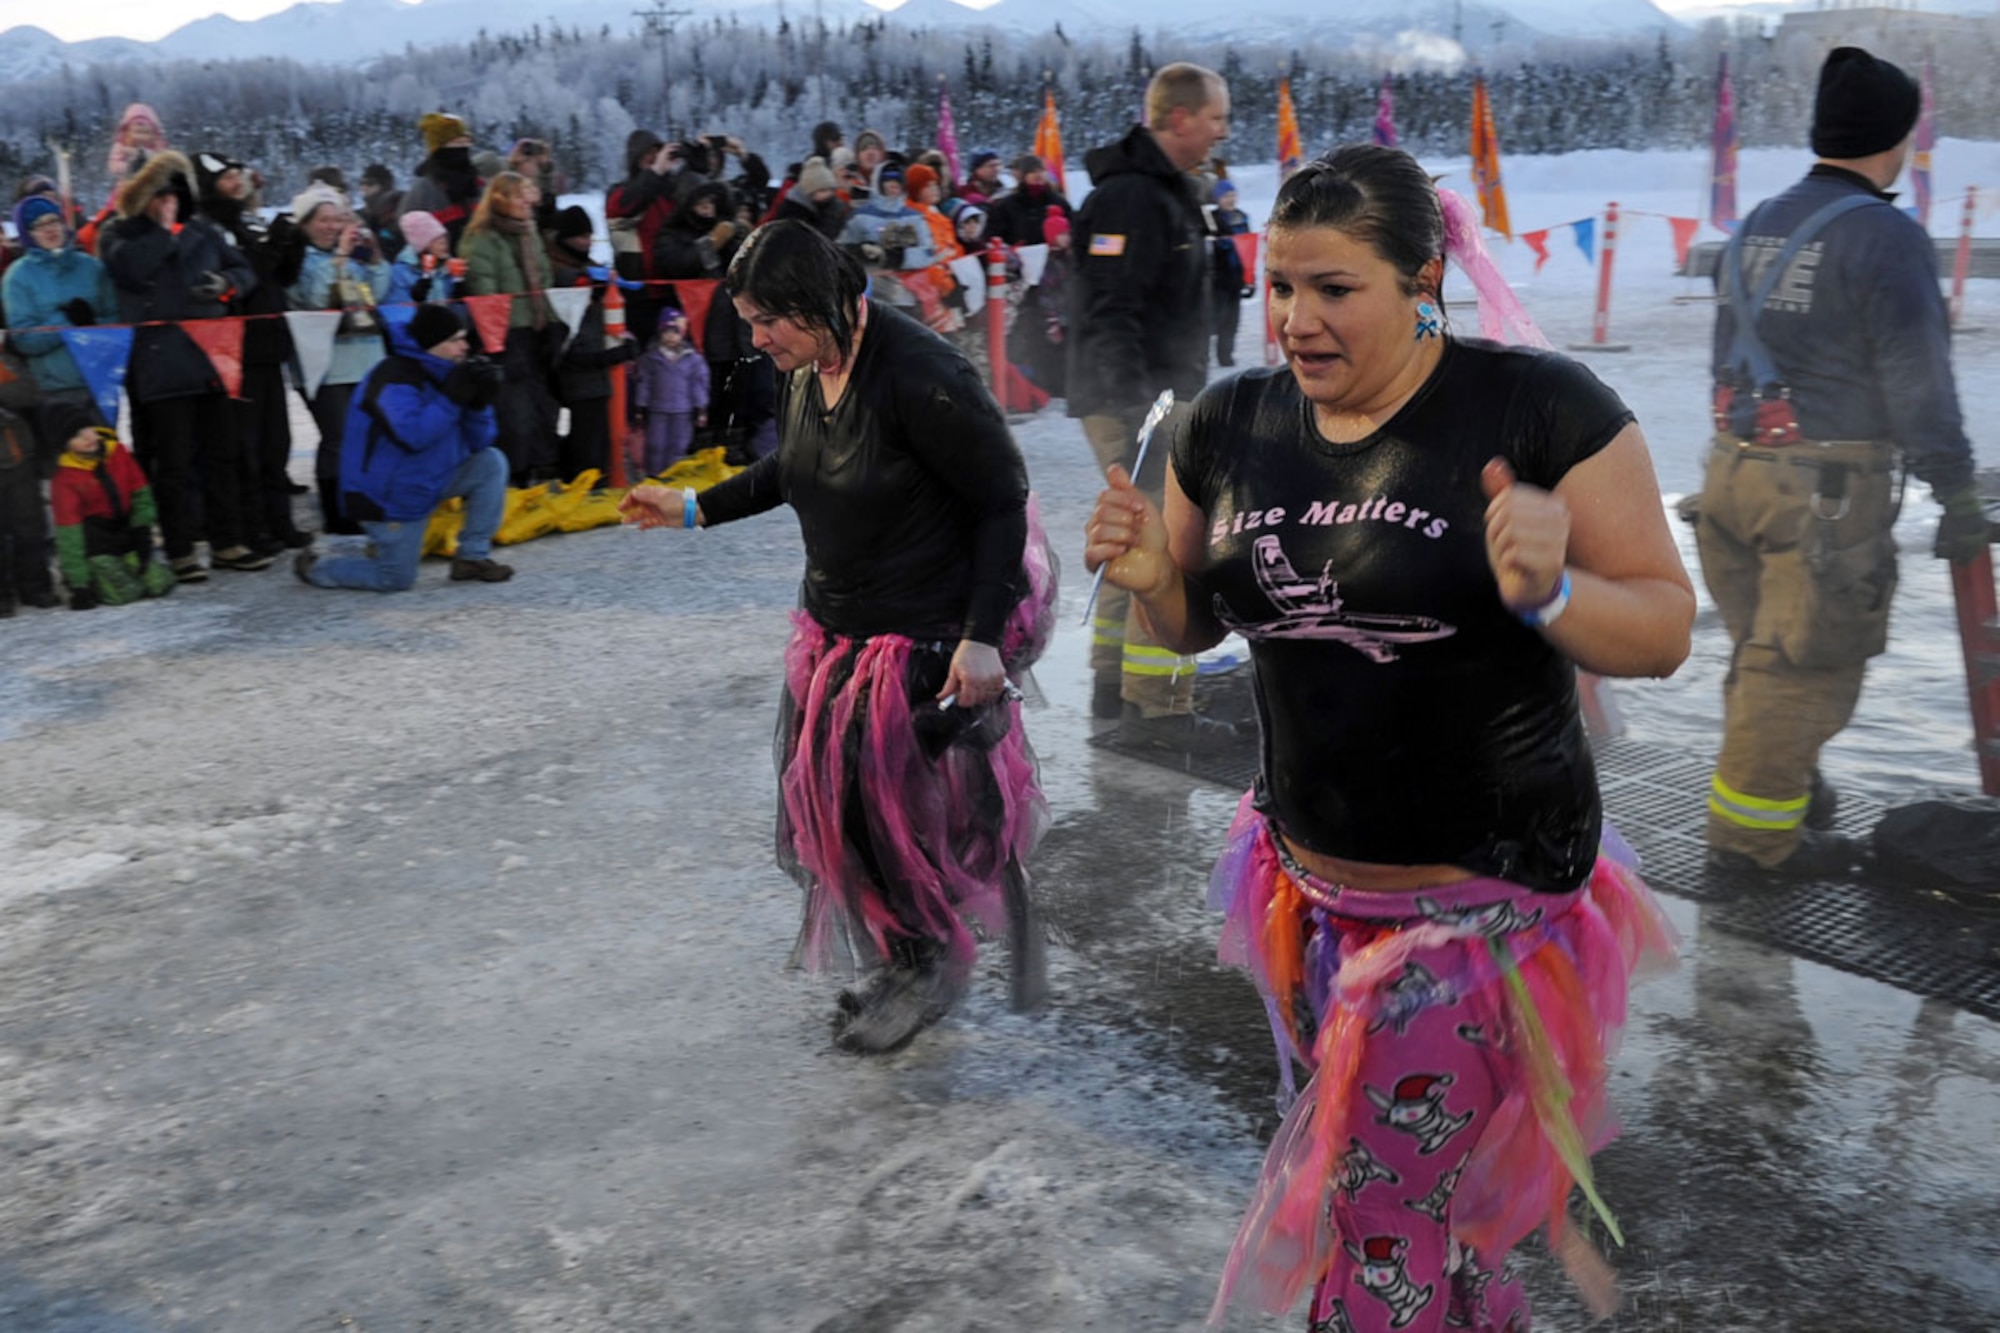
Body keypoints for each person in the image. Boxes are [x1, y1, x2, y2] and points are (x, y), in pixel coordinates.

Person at [1082, 145, 1692, 1332]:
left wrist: (1552, 592)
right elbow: (1197, 622)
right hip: (1303, 889)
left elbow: (1662, 627)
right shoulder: (1228, 421)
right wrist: (1156, 579)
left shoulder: (1539, 410)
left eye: (1333, 289)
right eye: (1278, 286)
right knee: (1413, 1190)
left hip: (1480, 907)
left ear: (1422, 281)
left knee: (1378, 1219)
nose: (1294, 320)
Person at [618, 221, 1054, 1055]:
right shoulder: (809, 363)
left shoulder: (922, 374)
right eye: (749, 322)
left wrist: (981, 639)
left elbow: (1001, 500)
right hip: (838, 630)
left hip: (922, 634)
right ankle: (907, 957)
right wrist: (695, 506)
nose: (756, 340)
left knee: (881, 811)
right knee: (843, 815)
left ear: (815, 303)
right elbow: (796, 467)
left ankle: (928, 963)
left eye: (767, 320)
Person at [1697, 46, 1982, 881]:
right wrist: (1955, 488)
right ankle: (1754, 847)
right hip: (1819, 494)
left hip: (1731, 473)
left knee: (1762, 650)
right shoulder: (1887, 237)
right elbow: (1918, 381)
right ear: (1897, 137)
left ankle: (1788, 789)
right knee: (1803, 667)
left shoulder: (1757, 222)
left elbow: (1727, 355)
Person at [1069, 62, 1233, 744]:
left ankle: (1115, 687)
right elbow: (1110, 310)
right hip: (1139, 401)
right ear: (1180, 118)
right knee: (1170, 544)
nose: (1223, 132)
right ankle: (1159, 707)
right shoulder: (1132, 198)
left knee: (1133, 537)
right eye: (1216, 118)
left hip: (1155, 395)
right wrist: (1146, 411)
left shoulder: (1166, 192)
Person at [99, 150, 266, 581]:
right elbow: (132, 270)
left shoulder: (202, 231)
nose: (168, 202)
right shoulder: (118, 233)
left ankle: (227, 541)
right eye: (159, 194)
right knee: (173, 463)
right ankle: (180, 549)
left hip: (211, 356)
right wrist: (162, 232)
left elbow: (244, 270)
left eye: (174, 194)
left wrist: (226, 284)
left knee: (222, 455)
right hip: (162, 362)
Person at [296, 304, 513, 592]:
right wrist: (453, 399)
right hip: (388, 495)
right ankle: (318, 567)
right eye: (455, 340)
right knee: (395, 579)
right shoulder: (393, 376)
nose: (465, 347)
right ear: (431, 345)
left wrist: (479, 404)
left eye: (464, 338)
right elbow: (414, 436)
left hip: (427, 479)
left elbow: (480, 442)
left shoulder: (451, 373)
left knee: (491, 462)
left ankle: (472, 557)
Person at [195, 150, 306, 553]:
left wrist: (292, 244)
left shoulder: (247, 220)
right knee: (247, 446)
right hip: (236, 349)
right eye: (227, 177)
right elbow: (242, 278)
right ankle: (252, 526)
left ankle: (280, 521)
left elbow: (279, 276)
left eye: (237, 175)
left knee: (277, 441)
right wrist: (270, 248)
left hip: (268, 344)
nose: (237, 182)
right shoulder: (208, 227)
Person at [287, 182, 392, 536]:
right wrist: (341, 260)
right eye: (324, 220)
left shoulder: (351, 256)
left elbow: (376, 295)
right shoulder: (299, 259)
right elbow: (316, 299)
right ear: (305, 223)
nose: (332, 227)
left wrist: (375, 261)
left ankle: (364, 501)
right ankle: (336, 513)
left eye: (337, 219)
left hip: (364, 357)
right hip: (325, 365)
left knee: (366, 436)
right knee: (337, 438)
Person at [459, 171, 562, 485]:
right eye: (519, 196)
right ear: (501, 200)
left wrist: (552, 323)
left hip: (535, 330)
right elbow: (484, 292)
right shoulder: (482, 239)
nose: (526, 202)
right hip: (505, 334)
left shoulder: (529, 233)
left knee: (542, 406)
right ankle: (514, 477)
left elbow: (544, 281)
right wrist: (499, 342)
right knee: (515, 412)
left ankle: (542, 470)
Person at [44, 405, 177, 609]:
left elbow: (141, 495)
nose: (87, 437)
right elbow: (69, 535)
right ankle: (89, 576)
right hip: (97, 543)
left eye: (87, 429)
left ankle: (132, 566)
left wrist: (142, 532)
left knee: (158, 584)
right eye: (77, 436)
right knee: (125, 594)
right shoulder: (65, 479)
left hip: (127, 531)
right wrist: (79, 584)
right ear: (66, 445)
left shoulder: (119, 452)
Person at [545, 204, 639, 482]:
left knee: (599, 437)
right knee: (585, 443)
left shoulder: (592, 271)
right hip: (580, 375)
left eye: (589, 236)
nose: (587, 242)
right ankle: (584, 486)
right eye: (580, 237)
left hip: (598, 373)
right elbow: (571, 348)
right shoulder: (562, 275)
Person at [631, 308, 709, 478]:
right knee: (655, 445)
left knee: (679, 445)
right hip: (657, 409)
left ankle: (673, 477)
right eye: (666, 332)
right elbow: (644, 383)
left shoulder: (694, 359)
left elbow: (699, 384)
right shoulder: (650, 358)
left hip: (683, 410)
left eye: (675, 332)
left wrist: (701, 408)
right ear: (660, 333)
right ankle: (654, 475)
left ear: (683, 334)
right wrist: (640, 406)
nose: (671, 337)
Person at [398, 113, 482, 250]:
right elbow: (409, 234)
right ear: (440, 148)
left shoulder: (477, 184)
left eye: (466, 143)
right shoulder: (423, 191)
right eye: (457, 143)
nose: (463, 149)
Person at [1209, 180, 1255, 367]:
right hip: (1217, 277)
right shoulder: (1211, 218)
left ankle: (1225, 355)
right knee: (1215, 319)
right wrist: (1223, 242)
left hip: (1236, 276)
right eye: (1226, 196)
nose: (1230, 200)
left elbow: (1249, 250)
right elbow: (1209, 242)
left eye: (1232, 196)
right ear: (1218, 199)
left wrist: (1250, 279)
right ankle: (1202, 354)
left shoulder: (1241, 217)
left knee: (1232, 320)